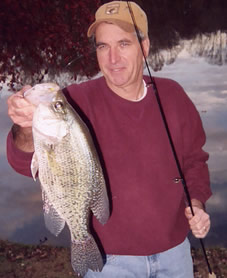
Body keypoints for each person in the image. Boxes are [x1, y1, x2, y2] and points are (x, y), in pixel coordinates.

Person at [7, 1, 212, 277]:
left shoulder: (173, 96)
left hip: (175, 255)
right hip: (110, 263)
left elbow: (195, 160)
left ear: (145, 47)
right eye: (103, 46)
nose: (112, 58)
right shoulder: (74, 102)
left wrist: (196, 204)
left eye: (124, 44)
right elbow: (23, 161)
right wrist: (24, 125)